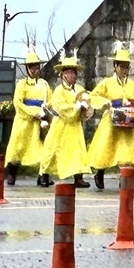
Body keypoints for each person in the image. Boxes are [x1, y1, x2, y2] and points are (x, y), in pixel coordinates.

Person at [86, 42, 134, 190]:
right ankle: (99, 171)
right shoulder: (107, 82)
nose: (124, 70)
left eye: (127, 67)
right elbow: (94, 96)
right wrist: (106, 103)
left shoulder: (131, 83)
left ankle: (123, 177)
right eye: (121, 66)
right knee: (106, 147)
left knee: (126, 149)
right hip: (112, 120)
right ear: (115, 67)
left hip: (128, 120)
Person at [39, 52, 96, 187]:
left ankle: (79, 177)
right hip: (61, 124)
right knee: (52, 150)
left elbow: (88, 103)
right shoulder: (59, 90)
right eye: (68, 72)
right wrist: (76, 106)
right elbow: (61, 107)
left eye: (73, 73)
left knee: (78, 150)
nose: (71, 75)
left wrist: (86, 106)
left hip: (75, 125)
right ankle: (44, 175)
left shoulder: (80, 89)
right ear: (62, 74)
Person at [6, 47, 50, 186]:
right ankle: (12, 173)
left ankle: (43, 176)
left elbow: (50, 100)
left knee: (44, 148)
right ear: (27, 69)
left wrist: (45, 109)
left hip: (39, 122)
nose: (34, 70)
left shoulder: (44, 84)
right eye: (31, 67)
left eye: (36, 67)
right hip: (24, 121)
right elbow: (17, 103)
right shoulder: (22, 84)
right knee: (17, 148)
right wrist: (33, 112)